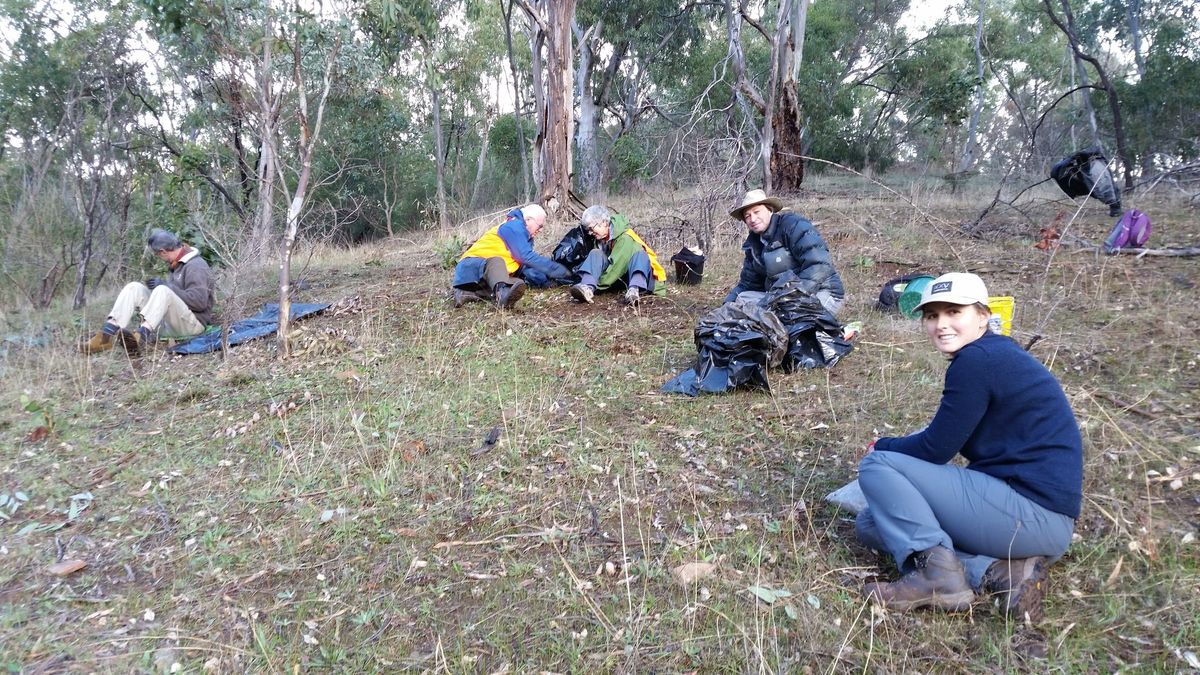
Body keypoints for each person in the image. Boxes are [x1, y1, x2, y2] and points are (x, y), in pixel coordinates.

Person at [855, 273, 1082, 622]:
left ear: (981, 315)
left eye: (953, 312)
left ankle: (938, 577)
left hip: (1031, 515)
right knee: (872, 523)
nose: (941, 325)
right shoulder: (995, 354)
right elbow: (944, 437)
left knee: (879, 466)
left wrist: (880, 445)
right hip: (1030, 523)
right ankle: (999, 572)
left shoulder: (978, 360)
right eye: (932, 316)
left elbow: (935, 449)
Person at [81, 229, 215, 355]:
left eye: (158, 255)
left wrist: (167, 286)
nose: (159, 258)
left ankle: (140, 338)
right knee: (134, 287)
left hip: (193, 326)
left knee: (163, 289)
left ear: (163, 251)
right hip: (173, 323)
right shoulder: (176, 263)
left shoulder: (195, 266)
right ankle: (105, 337)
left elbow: (199, 303)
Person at [726, 189, 845, 315]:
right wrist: (726, 306)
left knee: (795, 326)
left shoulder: (793, 225)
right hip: (781, 299)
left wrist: (792, 297)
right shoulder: (753, 244)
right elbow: (747, 284)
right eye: (747, 216)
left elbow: (819, 265)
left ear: (769, 210)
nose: (753, 219)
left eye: (756, 212)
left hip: (820, 292)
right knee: (741, 301)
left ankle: (827, 332)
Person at [452, 203, 571, 309]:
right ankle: (502, 296)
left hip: (484, 277)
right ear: (528, 220)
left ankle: (465, 294)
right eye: (540, 226)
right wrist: (558, 270)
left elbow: (525, 266)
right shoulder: (514, 227)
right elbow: (526, 257)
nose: (540, 230)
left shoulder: (523, 234)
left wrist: (547, 282)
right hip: (470, 268)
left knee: (518, 282)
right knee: (497, 262)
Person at [567, 205, 667, 307]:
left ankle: (634, 290)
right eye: (588, 230)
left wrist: (598, 285)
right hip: (622, 277)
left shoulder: (625, 238)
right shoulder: (600, 238)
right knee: (595, 253)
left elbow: (616, 268)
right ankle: (586, 287)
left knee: (640, 255)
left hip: (644, 279)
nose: (590, 233)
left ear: (604, 223)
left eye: (592, 228)